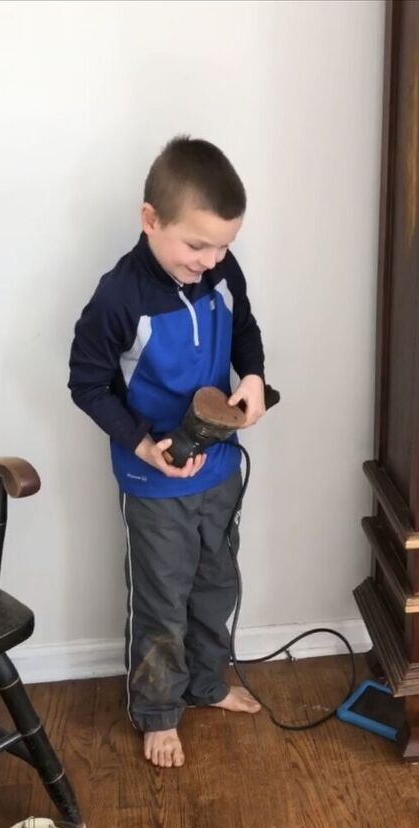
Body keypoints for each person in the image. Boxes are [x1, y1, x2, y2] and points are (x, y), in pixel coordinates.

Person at [68, 135, 268, 768]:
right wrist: (141, 445)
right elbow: (87, 383)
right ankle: (158, 713)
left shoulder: (220, 272)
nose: (210, 261)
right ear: (150, 219)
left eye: (225, 246)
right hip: (154, 485)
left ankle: (207, 685)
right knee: (161, 599)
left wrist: (254, 376)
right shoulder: (118, 297)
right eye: (197, 244)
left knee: (216, 586)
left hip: (219, 471)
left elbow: (244, 328)